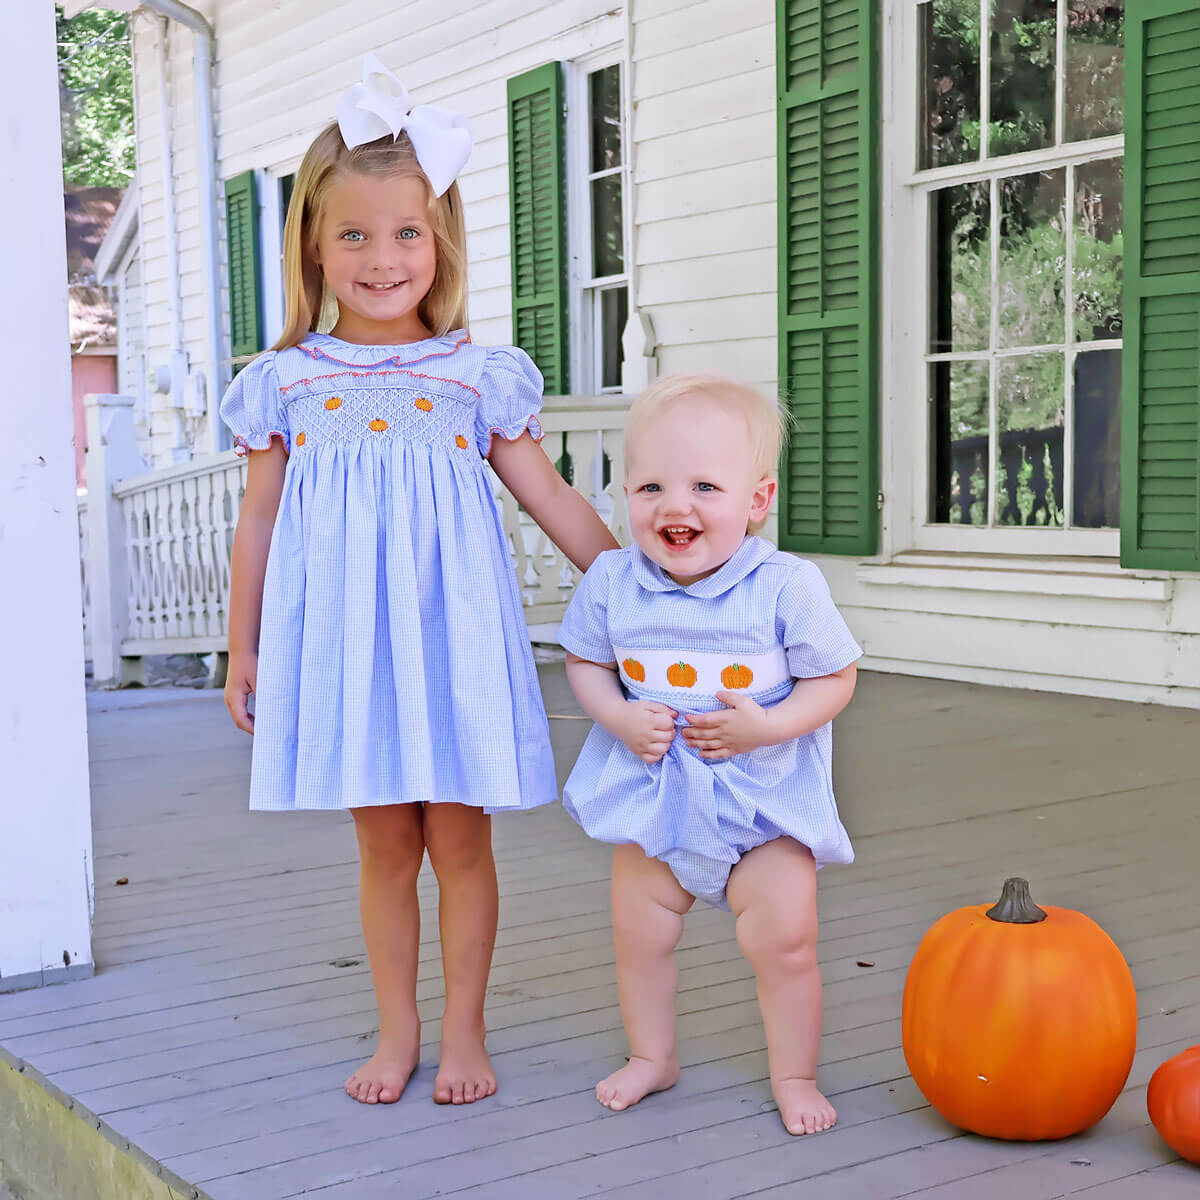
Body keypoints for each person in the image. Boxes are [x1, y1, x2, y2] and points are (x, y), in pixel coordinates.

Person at [220, 55, 617, 1109]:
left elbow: (553, 497)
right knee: (385, 847)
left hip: (452, 643)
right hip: (352, 647)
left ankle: (465, 1035)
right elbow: (257, 520)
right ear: (313, 241)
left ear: (438, 241)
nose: (381, 257)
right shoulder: (288, 382)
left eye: (405, 233)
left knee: (461, 842)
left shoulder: (473, 375)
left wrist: (635, 585)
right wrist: (244, 643)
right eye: (352, 233)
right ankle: (397, 1031)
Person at [558, 373, 860, 1135]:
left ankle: (794, 1074)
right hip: (657, 800)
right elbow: (586, 663)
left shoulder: (785, 585)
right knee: (641, 934)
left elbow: (835, 676)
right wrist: (619, 716)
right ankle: (652, 1056)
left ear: (757, 501)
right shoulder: (612, 582)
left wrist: (771, 725)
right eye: (651, 486)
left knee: (783, 942)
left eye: (703, 486)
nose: (674, 507)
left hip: (762, 806)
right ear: (626, 492)